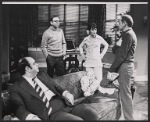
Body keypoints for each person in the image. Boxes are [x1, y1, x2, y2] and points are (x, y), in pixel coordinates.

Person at [9, 57, 99, 120]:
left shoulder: (42, 74)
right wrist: (31, 117)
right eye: (34, 63)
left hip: (66, 104)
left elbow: (56, 86)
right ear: (28, 69)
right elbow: (18, 108)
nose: (37, 64)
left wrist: (65, 93)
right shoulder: (16, 88)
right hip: (51, 112)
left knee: (92, 115)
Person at [107, 14, 137, 120]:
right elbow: (115, 50)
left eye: (119, 22)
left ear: (124, 23)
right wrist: (117, 42)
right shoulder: (125, 34)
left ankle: (129, 119)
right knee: (121, 93)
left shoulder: (128, 35)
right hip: (123, 66)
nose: (117, 23)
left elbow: (121, 56)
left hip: (125, 66)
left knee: (125, 95)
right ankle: (120, 116)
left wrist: (111, 70)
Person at [79, 23, 113, 94]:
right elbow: (80, 46)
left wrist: (102, 54)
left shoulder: (99, 38)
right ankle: (91, 94)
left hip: (97, 61)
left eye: (95, 29)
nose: (94, 31)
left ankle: (91, 91)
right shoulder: (86, 39)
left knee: (99, 79)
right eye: (92, 30)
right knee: (90, 79)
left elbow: (106, 45)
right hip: (88, 62)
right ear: (89, 31)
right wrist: (82, 55)